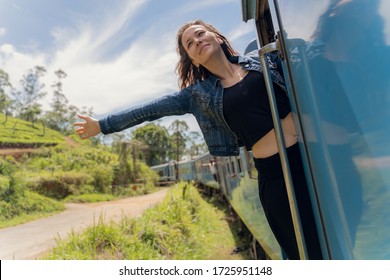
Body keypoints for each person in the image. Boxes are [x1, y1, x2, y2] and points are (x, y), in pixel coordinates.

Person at [74, 19, 322, 259]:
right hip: (276, 176)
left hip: (316, 158)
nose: (197, 41)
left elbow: (312, 57)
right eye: (190, 43)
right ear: (192, 58)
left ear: (216, 36)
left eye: (200, 34)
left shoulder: (263, 60)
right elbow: (148, 110)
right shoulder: (197, 95)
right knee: (307, 253)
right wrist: (102, 125)